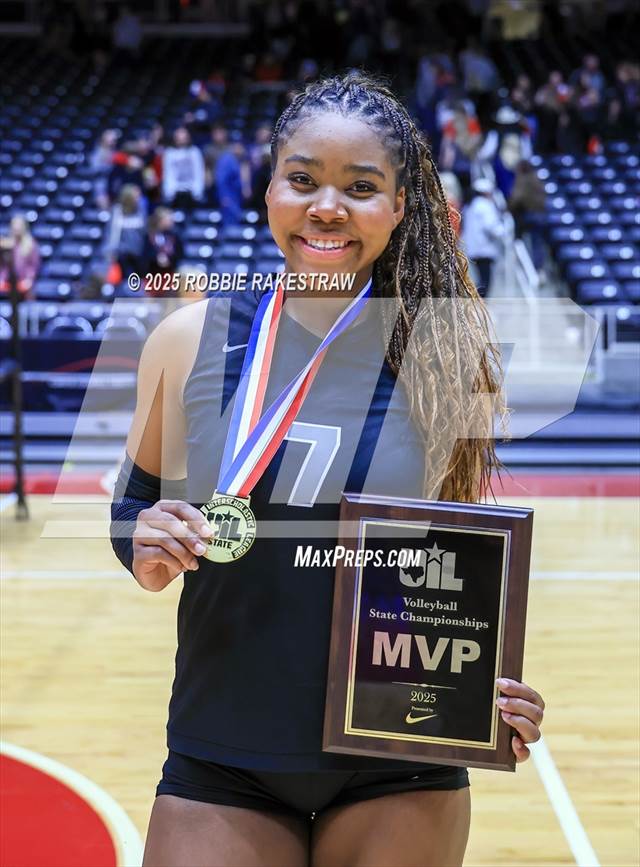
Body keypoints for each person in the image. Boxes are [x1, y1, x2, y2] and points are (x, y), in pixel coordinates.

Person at [111, 71, 545, 867]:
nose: (327, 207)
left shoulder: (449, 358)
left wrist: (484, 688)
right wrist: (145, 538)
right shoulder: (187, 338)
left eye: (361, 187)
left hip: (400, 755)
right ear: (270, 184)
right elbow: (132, 508)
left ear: (400, 207)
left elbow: (450, 562)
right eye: (303, 179)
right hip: (226, 749)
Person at [462, 177, 504, 297]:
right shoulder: (485, 206)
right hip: (484, 249)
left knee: (481, 279)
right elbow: (491, 226)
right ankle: (479, 304)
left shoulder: (470, 205)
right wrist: (505, 232)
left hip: (473, 249)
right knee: (485, 281)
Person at [162, 127, 206, 210]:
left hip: (192, 190)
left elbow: (199, 173)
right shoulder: (169, 153)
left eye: (183, 138)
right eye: (179, 138)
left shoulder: (195, 152)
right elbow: (168, 174)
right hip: (175, 191)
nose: (181, 140)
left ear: (188, 138)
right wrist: (169, 193)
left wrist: (197, 192)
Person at [0, 215, 41, 299]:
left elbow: (34, 266)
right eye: (14, 225)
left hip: (24, 282)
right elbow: (3, 266)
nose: (16, 228)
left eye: (19, 225)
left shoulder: (31, 244)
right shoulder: (6, 244)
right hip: (8, 282)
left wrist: (29, 279)